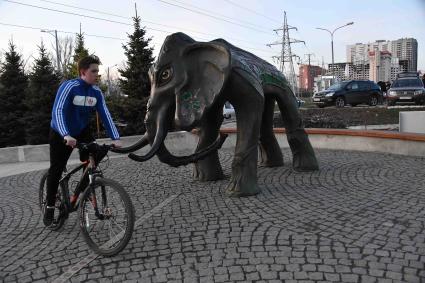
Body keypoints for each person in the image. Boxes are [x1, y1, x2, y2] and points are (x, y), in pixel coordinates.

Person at [44, 55, 122, 227]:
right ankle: (50, 206)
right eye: (94, 71)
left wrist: (115, 138)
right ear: (83, 72)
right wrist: (65, 135)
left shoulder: (96, 92)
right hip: (60, 131)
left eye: (98, 71)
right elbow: (57, 111)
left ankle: (82, 188)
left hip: (81, 131)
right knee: (56, 169)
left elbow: (105, 115)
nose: (97, 75)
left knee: (97, 153)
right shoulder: (69, 87)